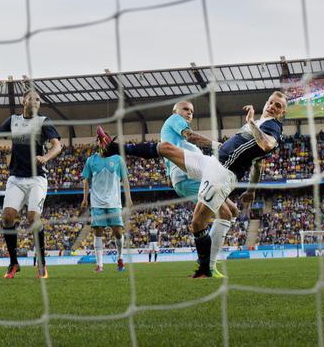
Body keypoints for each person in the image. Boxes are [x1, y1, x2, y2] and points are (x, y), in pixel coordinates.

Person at [99, 91, 286, 278]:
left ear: (282, 112)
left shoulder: (273, 126)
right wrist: (251, 191)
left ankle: (206, 268)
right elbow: (258, 163)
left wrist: (251, 122)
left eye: (278, 105)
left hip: (222, 173)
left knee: (198, 223)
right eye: (270, 102)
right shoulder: (260, 123)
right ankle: (114, 149)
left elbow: (267, 145)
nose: (271, 106)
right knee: (165, 148)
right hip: (212, 163)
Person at [0, 90, 61, 279]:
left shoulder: (44, 121)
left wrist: (46, 157)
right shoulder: (12, 120)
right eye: (31, 98)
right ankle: (13, 263)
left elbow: (57, 146)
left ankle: (41, 263)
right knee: (7, 218)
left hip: (37, 179)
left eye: (38, 99)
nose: (35, 101)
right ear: (23, 101)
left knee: (33, 218)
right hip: (16, 178)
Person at [155, 100, 238, 277]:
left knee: (232, 211)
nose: (189, 113)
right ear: (175, 111)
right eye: (185, 109)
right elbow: (190, 136)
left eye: (192, 111)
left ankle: (208, 261)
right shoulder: (175, 120)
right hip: (185, 175)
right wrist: (219, 145)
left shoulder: (186, 143)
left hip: (196, 176)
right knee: (224, 214)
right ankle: (208, 264)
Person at [81, 139, 132, 273]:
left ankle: (120, 257)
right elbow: (86, 180)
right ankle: (99, 264)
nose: (101, 143)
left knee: (118, 231)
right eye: (99, 140)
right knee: (98, 232)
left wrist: (129, 198)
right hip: (97, 202)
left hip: (114, 202)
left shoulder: (118, 159)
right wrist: (85, 198)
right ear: (97, 143)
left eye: (104, 140)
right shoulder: (91, 160)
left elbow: (125, 180)